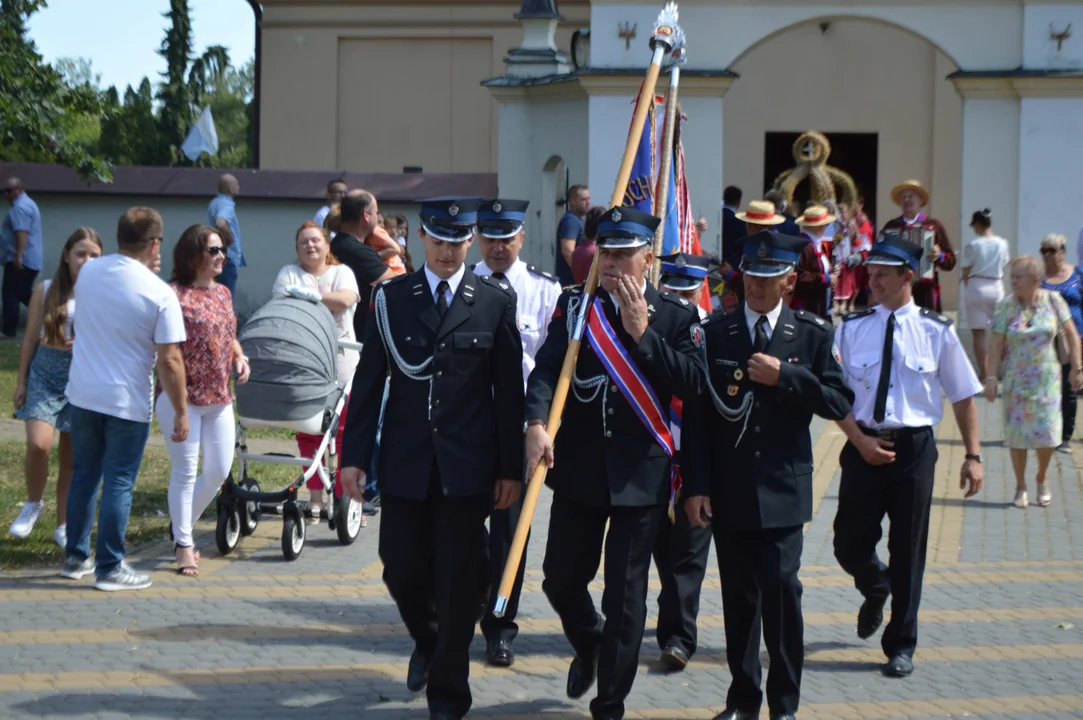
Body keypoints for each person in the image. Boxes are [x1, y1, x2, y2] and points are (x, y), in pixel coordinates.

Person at [340, 198, 524, 720]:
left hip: (467, 469)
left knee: (458, 581)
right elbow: (369, 382)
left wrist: (511, 468)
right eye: (439, 240)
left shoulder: (491, 301)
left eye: (458, 240)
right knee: (400, 569)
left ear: (471, 240)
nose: (447, 251)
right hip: (406, 463)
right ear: (421, 238)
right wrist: (353, 458)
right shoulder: (392, 299)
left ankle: (448, 695)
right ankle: (429, 637)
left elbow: (507, 392)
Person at [526, 206, 704, 720]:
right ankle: (589, 642)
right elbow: (546, 369)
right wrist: (535, 423)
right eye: (605, 252)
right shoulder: (574, 306)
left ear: (648, 259)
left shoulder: (674, 316)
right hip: (579, 470)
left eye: (624, 254)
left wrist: (642, 334)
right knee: (560, 579)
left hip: (640, 478)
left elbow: (693, 387)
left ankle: (610, 704)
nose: (611, 264)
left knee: (625, 601)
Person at [681, 231, 853, 720]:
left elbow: (839, 402)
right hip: (730, 491)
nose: (756, 285)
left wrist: (788, 377)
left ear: (790, 281)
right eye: (751, 275)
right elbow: (697, 418)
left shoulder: (813, 333)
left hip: (781, 491)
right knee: (739, 601)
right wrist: (696, 486)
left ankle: (784, 705)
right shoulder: (717, 332)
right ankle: (742, 701)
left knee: (782, 599)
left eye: (769, 276)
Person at [832, 236, 984, 679]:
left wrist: (973, 455)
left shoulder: (937, 331)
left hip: (914, 449)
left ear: (908, 277)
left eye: (883, 274)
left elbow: (962, 396)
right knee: (847, 541)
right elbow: (834, 394)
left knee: (909, 549)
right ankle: (874, 586)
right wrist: (857, 439)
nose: (872, 281)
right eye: (871, 273)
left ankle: (901, 643)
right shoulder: (852, 326)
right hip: (862, 445)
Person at [61, 207, 189, 592]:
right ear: (153, 244)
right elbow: (169, 359)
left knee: (84, 475)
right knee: (118, 481)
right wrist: (181, 410)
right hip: (126, 400)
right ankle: (111, 567)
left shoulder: (89, 272)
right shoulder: (159, 292)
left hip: (82, 393)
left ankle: (76, 558)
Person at [471, 198, 562, 667]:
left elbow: (552, 366)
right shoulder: (464, 288)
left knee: (510, 534)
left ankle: (500, 627)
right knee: (463, 526)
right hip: (468, 428)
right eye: (489, 237)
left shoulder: (547, 294)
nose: (498, 246)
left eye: (507, 237)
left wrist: (540, 425)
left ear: (522, 238)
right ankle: (478, 588)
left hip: (522, 428)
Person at [157, 225, 250, 576]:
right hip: (181, 399)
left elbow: (229, 335)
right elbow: (165, 351)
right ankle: (183, 544)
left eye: (222, 249)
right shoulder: (173, 295)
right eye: (213, 250)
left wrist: (240, 357)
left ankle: (180, 525)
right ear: (192, 255)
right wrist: (180, 407)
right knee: (184, 472)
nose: (221, 256)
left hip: (220, 398)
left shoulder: (223, 293)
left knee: (217, 471)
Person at [9, 228, 103, 545]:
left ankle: (63, 524)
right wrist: (21, 381)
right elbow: (30, 338)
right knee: (39, 444)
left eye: (94, 255)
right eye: (81, 253)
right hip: (46, 375)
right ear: (66, 255)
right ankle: (33, 503)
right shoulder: (46, 289)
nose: (86, 260)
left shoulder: (104, 293)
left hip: (82, 378)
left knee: (72, 459)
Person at [648, 252, 715, 672]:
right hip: (656, 453)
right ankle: (668, 611)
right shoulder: (653, 323)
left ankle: (677, 636)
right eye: (671, 287)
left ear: (701, 289)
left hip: (698, 457)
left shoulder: (717, 332)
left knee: (689, 552)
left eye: (688, 289)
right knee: (661, 549)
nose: (679, 297)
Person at [273, 221, 361, 521]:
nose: (310, 246)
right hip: (304, 362)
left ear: (327, 245)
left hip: (343, 363)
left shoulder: (342, 272)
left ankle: (346, 497)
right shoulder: (289, 273)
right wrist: (319, 301)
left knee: (344, 433)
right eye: (303, 243)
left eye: (315, 241)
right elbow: (282, 304)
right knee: (309, 430)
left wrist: (310, 298)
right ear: (297, 249)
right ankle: (314, 496)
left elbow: (346, 299)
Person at [988, 255, 1082, 508]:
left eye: (1018, 277)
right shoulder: (1005, 306)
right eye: (1012, 277)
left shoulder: (1053, 301)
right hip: (1016, 381)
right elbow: (996, 343)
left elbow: (1073, 335)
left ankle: (1042, 477)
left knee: (1048, 433)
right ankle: (1020, 485)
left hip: (1047, 379)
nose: (1013, 282)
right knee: (1017, 434)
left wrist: (1077, 368)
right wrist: (990, 377)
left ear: (1035, 280)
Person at [329, 190, 397, 340]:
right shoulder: (353, 249)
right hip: (358, 338)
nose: (379, 217)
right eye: (376, 212)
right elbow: (396, 282)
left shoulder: (346, 244)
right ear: (366, 215)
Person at [879, 180, 956, 311]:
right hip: (898, 288)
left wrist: (940, 255)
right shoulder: (891, 227)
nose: (907, 200)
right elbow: (878, 256)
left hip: (925, 290)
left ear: (920, 200)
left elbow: (951, 261)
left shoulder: (933, 225)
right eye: (903, 197)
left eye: (911, 196)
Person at [1040, 233, 1083, 453]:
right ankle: (1048, 432)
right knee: (1048, 388)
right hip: (1047, 343)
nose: (1047, 255)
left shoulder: (1077, 275)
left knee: (1069, 386)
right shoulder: (1038, 279)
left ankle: (1066, 436)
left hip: (1075, 339)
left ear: (1063, 252)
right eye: (1043, 250)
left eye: (1052, 250)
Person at [961, 209, 1010, 383]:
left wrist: (971, 288)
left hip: (977, 285)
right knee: (999, 331)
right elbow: (1004, 268)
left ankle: (984, 372)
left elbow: (966, 271)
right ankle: (998, 370)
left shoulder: (973, 244)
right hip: (996, 285)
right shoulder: (1002, 243)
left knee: (978, 334)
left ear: (978, 225)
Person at [1, 177, 44, 339]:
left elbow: (22, 231)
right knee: (23, 293)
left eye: (8, 191)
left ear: (18, 190)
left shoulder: (20, 207)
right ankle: (50, 314)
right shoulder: (29, 204)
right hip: (28, 259)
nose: (5, 195)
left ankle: (8, 331)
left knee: (10, 293)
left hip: (20, 260)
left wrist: (18, 255)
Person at [792, 205, 835, 320]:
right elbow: (800, 275)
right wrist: (825, 279)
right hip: (809, 306)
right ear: (818, 227)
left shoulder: (815, 243)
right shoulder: (805, 245)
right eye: (825, 225)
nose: (826, 228)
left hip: (819, 303)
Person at [205, 174, 245, 298]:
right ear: (230, 189)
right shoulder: (226, 204)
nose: (239, 187)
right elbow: (220, 222)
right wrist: (229, 238)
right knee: (225, 298)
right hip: (226, 258)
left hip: (216, 256)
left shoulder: (215, 202)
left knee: (215, 296)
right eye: (236, 184)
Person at [556, 184, 591, 286]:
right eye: (583, 199)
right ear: (572, 201)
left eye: (589, 199)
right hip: (572, 284)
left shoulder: (578, 220)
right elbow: (568, 251)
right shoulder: (570, 221)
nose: (588, 203)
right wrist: (582, 274)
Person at [721, 185, 745, 267]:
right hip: (732, 266)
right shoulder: (740, 222)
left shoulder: (716, 217)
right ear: (738, 201)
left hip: (714, 261)